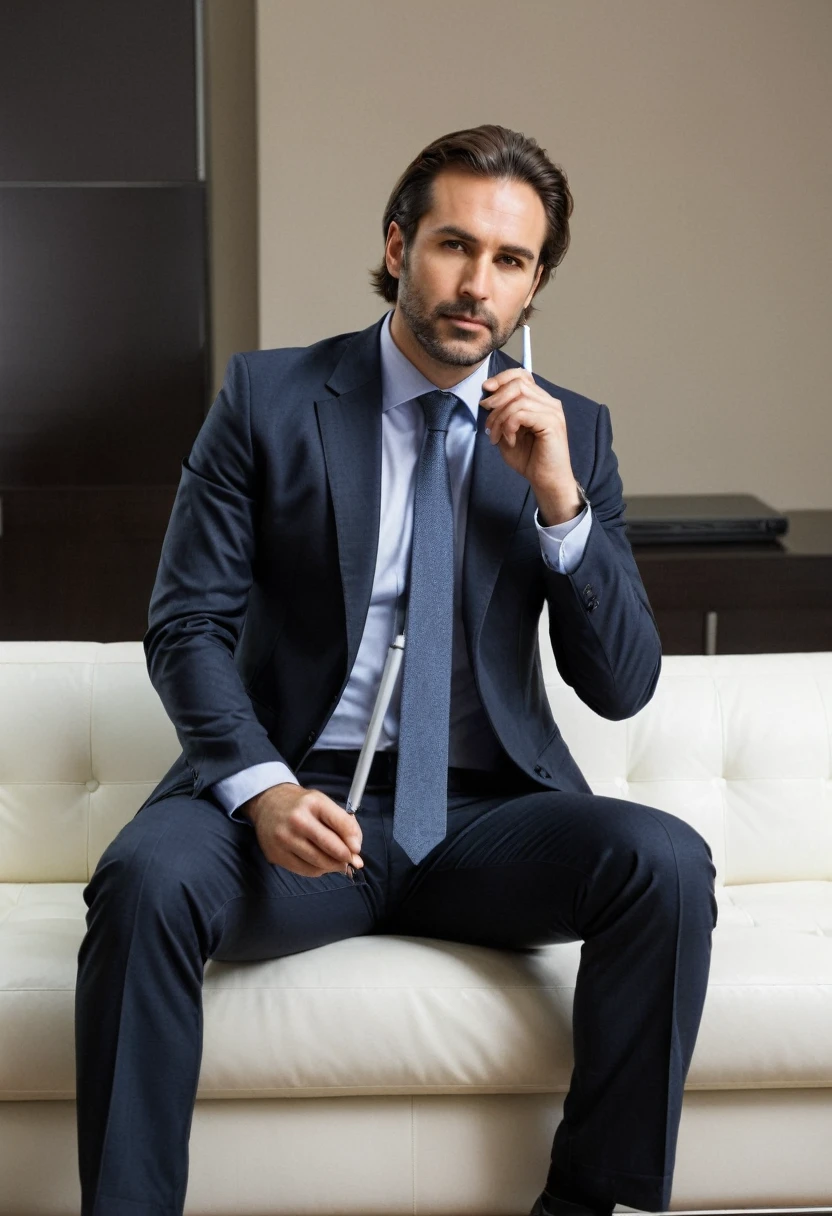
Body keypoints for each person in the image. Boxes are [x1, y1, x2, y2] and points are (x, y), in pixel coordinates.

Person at [75, 123, 717, 1216]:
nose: (476, 284)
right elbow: (185, 625)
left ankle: (583, 1206)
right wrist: (263, 787)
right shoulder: (268, 400)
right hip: (290, 808)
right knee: (145, 879)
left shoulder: (577, 436)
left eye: (510, 262)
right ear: (397, 244)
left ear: (533, 287)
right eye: (453, 245)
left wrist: (562, 504)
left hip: (480, 823)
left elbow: (621, 683)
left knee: (663, 863)